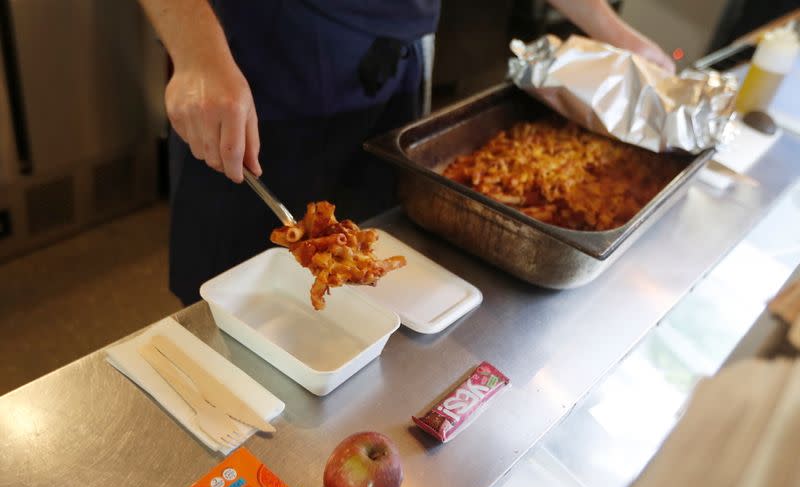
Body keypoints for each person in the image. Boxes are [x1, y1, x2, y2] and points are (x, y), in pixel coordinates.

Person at [138, 0, 674, 305]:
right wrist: (197, 54)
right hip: (254, 71)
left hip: (389, 66)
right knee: (233, 302)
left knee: (370, 279)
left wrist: (612, 30)